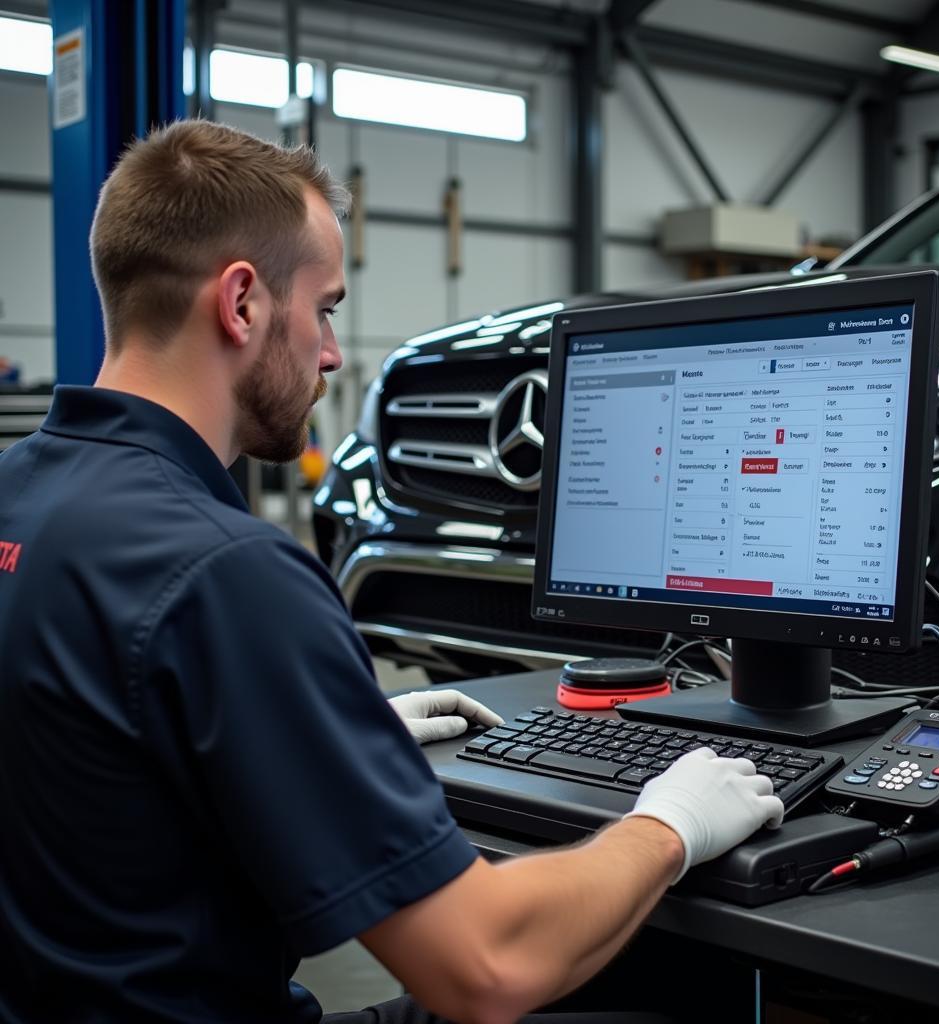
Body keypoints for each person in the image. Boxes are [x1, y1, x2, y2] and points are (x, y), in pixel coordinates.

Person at [0, 121, 784, 1024]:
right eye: (325, 308)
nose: (332, 353)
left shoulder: (24, 494)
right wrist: (672, 822)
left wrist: (308, 735)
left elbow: (92, 768)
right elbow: (486, 965)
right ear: (243, 303)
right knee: (686, 987)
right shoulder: (228, 572)